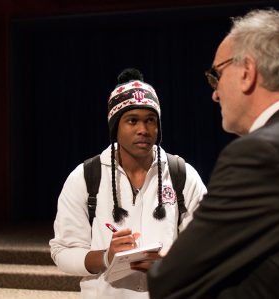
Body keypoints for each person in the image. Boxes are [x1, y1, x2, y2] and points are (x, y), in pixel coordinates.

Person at [147, 9, 279, 299]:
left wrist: (172, 259)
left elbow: (168, 281)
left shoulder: (261, 154)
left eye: (216, 75)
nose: (215, 93)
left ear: (247, 72)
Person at [49, 68, 206, 299]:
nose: (143, 130)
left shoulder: (182, 174)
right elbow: (62, 251)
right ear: (115, 127)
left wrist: (169, 264)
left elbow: (205, 246)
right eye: (132, 121)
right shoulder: (85, 177)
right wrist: (107, 256)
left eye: (150, 120)